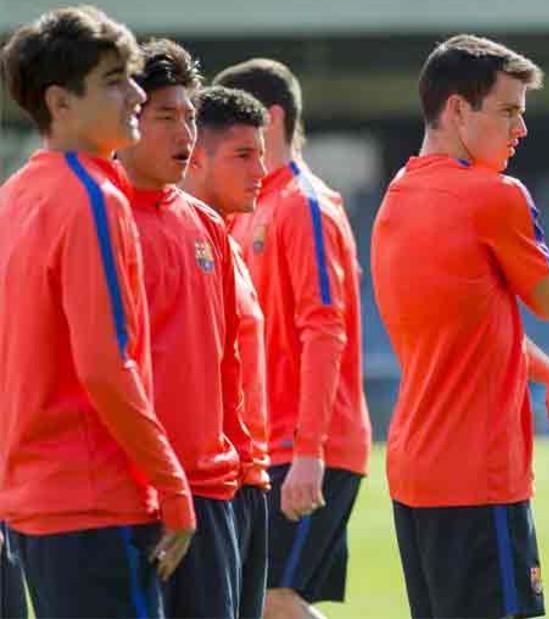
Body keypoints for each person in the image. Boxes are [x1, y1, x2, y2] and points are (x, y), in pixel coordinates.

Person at [371, 34, 549, 619]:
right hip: (478, 477)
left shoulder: (397, 195)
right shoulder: (495, 195)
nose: (521, 130)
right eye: (509, 111)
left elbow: (469, 325)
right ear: (458, 110)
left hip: (415, 469)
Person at [0, 6, 194, 618]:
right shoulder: (93, 197)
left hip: (34, 503)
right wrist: (172, 485)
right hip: (97, 501)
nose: (136, 93)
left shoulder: (14, 196)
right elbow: (107, 364)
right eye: (114, 80)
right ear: (60, 103)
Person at [216, 58, 372, 619]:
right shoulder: (248, 208)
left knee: (269, 600)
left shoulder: (304, 204)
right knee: (254, 600)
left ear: (272, 117)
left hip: (306, 447)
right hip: (267, 445)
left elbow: (324, 328)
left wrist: (310, 452)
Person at [116, 38, 256, 618]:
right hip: (127, 497)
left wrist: (242, 462)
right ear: (129, 120)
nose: (185, 133)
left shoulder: (206, 226)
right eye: (166, 117)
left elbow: (228, 359)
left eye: (191, 117)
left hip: (211, 491)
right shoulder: (98, 215)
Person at [180, 84, 273, 619]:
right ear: (197, 157)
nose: (259, 169)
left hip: (246, 478)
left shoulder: (226, 242)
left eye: (261, 155)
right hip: (210, 486)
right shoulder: (179, 238)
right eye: (243, 156)